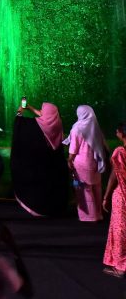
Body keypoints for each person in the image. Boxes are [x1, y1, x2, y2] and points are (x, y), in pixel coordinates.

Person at [67, 105, 109, 222]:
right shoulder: (96, 127)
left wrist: (69, 160)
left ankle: (89, 216)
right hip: (95, 163)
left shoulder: (77, 128)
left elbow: (73, 148)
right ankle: (98, 214)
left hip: (81, 164)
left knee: (84, 189)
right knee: (97, 188)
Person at [102, 122, 126, 278]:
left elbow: (113, 176)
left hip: (122, 196)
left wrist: (106, 196)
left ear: (122, 134)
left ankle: (120, 267)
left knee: (120, 231)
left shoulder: (120, 152)